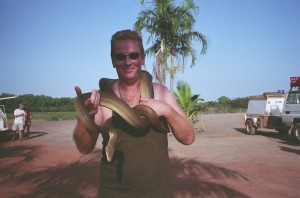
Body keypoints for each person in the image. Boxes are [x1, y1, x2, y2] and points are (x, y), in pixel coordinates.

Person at [73, 29, 195, 198]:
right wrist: (85, 117)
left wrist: (167, 111)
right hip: (113, 193)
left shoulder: (160, 93)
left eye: (133, 55)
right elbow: (84, 148)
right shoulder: (101, 100)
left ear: (142, 58)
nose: (127, 62)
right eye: (120, 57)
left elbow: (188, 138)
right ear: (113, 61)